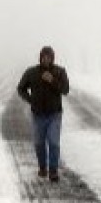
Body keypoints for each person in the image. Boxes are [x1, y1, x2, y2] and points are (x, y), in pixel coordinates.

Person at [17, 45, 71, 181]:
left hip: (54, 114)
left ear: (52, 58)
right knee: (39, 143)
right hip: (37, 115)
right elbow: (20, 88)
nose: (46, 59)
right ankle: (42, 167)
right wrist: (31, 100)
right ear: (40, 57)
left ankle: (53, 171)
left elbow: (65, 90)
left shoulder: (59, 71)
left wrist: (52, 80)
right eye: (43, 57)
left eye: (49, 57)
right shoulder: (32, 72)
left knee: (53, 142)